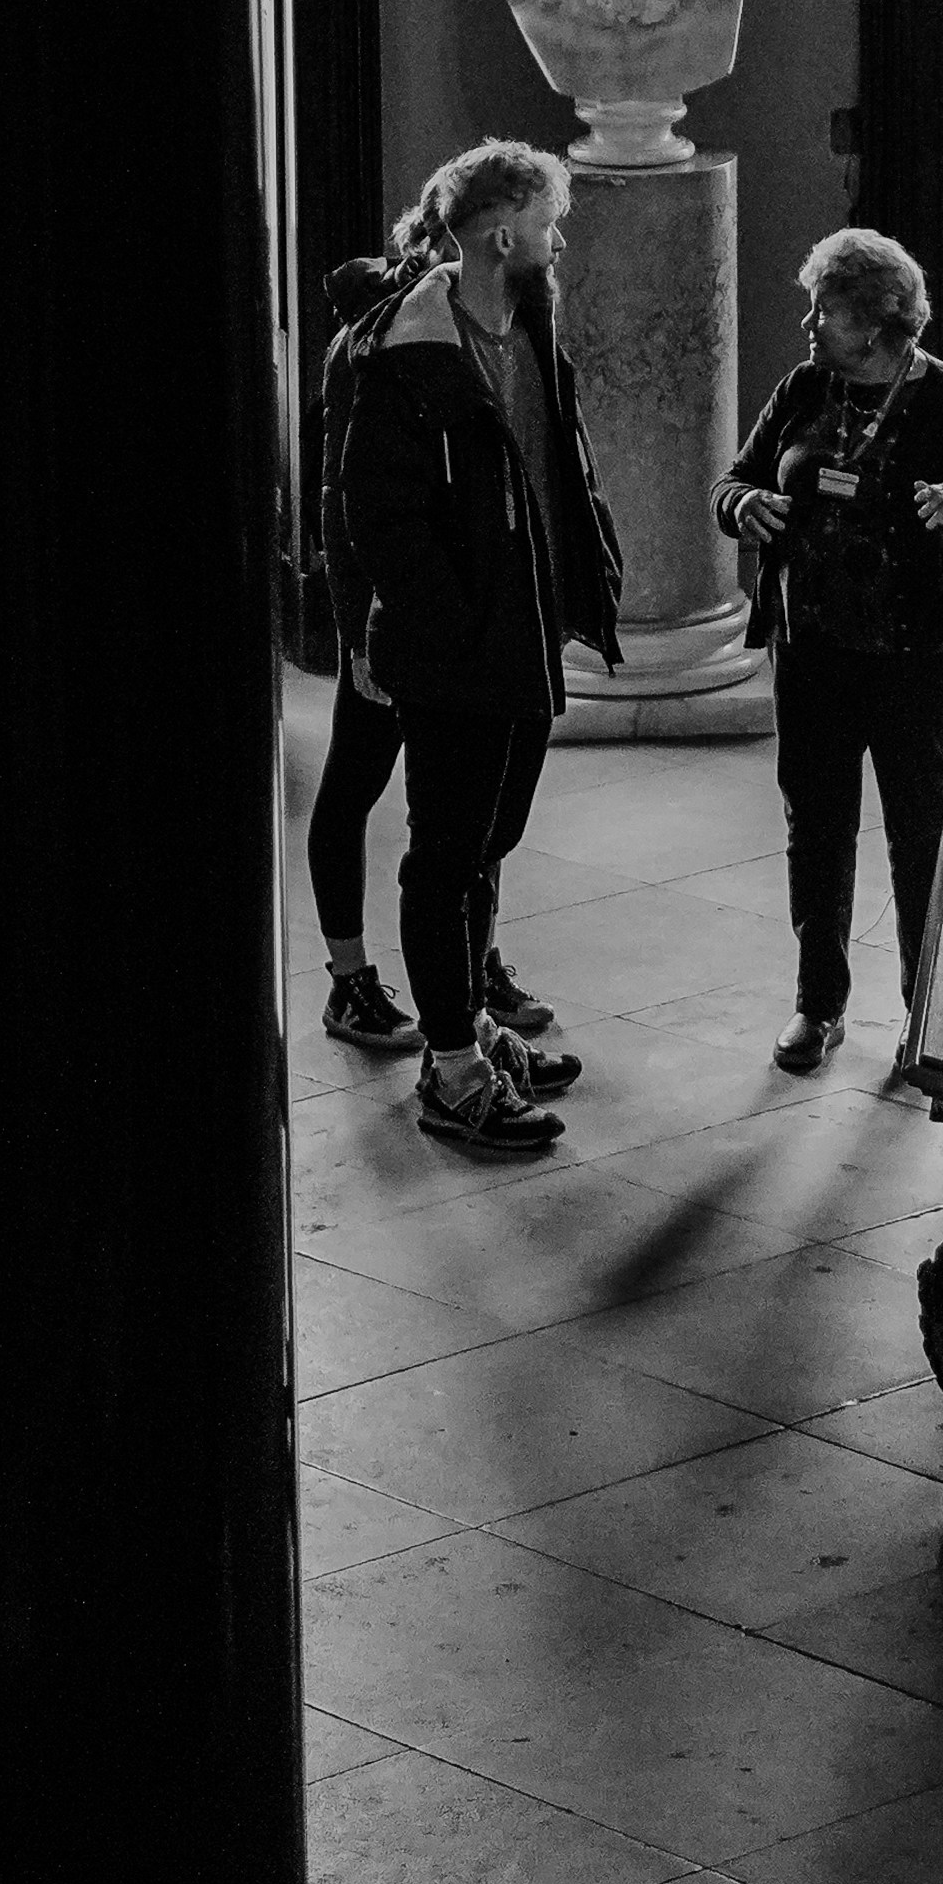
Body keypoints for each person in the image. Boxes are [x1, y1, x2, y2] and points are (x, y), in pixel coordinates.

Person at [326, 141, 625, 1157]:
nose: (559, 237)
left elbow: (557, 463)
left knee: (488, 842)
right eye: (550, 220)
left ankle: (471, 1025)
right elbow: (378, 514)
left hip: (524, 632)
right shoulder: (403, 350)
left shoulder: (529, 320)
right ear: (505, 230)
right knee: (444, 851)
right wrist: (448, 630)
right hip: (459, 646)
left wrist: (589, 571)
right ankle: (451, 1068)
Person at [715, 226, 943, 1070]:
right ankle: (816, 1006)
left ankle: (924, 1012)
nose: (807, 326)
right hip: (813, 650)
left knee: (918, 835)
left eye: (820, 309)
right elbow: (737, 477)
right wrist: (741, 507)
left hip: (916, 661)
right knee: (815, 829)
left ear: (874, 322)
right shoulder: (803, 387)